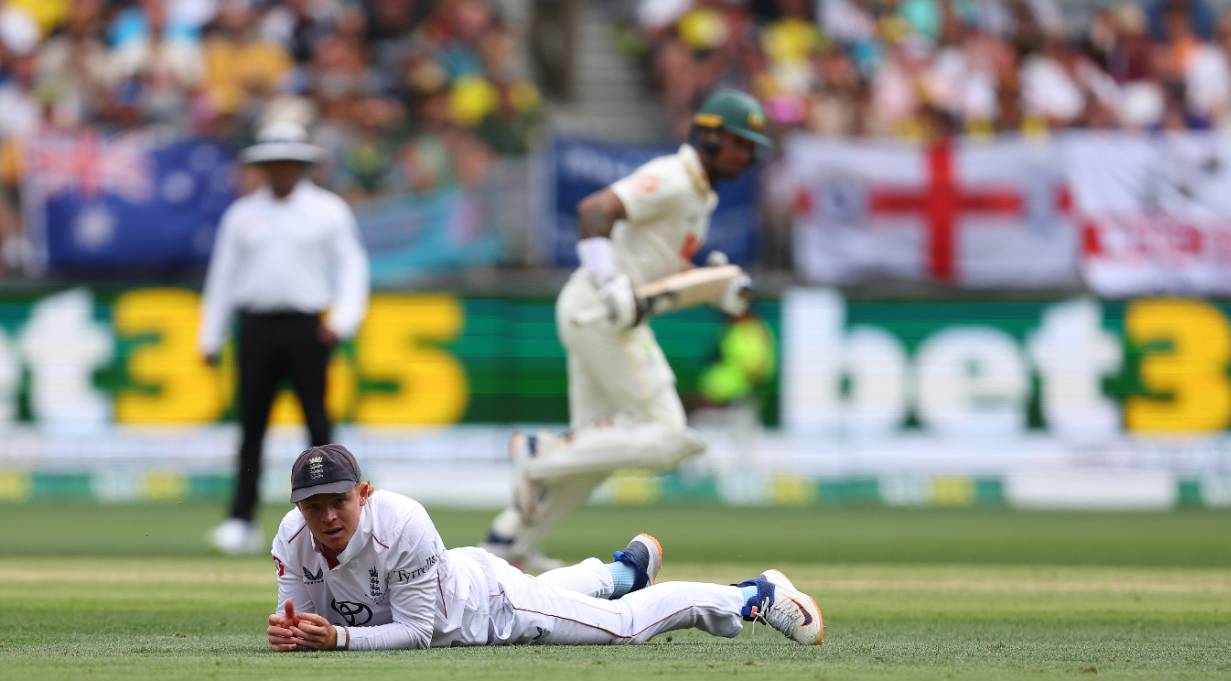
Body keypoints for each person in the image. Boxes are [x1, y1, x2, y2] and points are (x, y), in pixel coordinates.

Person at [482, 88, 767, 570]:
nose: (747, 155)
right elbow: (595, 211)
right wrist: (609, 279)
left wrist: (711, 283)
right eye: (739, 143)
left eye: (751, 147)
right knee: (671, 436)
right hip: (602, 312)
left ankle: (510, 545)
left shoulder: (698, 192)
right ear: (709, 136)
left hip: (599, 310)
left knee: (594, 451)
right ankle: (538, 453)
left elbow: (652, 270)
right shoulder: (674, 177)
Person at [267, 444, 824, 651]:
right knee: (569, 594)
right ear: (297, 508)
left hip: (492, 608)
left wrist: (337, 638)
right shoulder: (292, 539)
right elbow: (302, 621)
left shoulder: (404, 521)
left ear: (364, 492)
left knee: (625, 628)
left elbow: (417, 633)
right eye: (313, 506)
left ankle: (753, 593)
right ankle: (623, 572)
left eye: (338, 500)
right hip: (466, 582)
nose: (327, 516)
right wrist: (293, 632)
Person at [200, 121, 370, 555]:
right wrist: (211, 336)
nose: (280, 172)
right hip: (255, 326)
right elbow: (222, 276)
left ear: (301, 166)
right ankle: (241, 519)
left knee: (319, 428)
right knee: (251, 427)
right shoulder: (242, 214)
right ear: (263, 167)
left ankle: (341, 518)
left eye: (288, 164)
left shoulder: (328, 210)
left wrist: (344, 320)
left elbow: (352, 268)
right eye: (273, 165)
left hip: (308, 327)